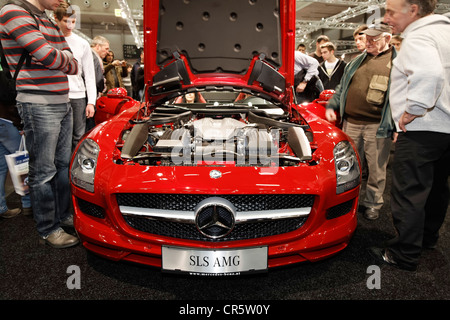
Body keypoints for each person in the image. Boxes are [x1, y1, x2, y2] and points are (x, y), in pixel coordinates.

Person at [369, 0, 450, 272]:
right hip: (446, 129)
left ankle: (404, 254)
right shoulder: (445, 32)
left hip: (423, 128)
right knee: (438, 188)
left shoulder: (419, 36)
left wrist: (411, 111)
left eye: (392, 11)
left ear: (413, 10)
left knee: (409, 192)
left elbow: (429, 74)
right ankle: (427, 238)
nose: (387, 18)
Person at [0, 0, 79, 248]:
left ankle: (62, 215)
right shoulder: (13, 11)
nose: (62, 0)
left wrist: (60, 58)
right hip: (37, 102)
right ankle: (47, 227)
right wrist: (60, 58)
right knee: (43, 171)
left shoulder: (46, 18)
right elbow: (48, 56)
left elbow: (72, 62)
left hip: (62, 100)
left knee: (63, 165)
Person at [325, 21, 396, 221]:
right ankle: (348, 202)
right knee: (348, 167)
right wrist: (332, 105)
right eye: (367, 38)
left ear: (387, 39)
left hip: (377, 126)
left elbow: (401, 97)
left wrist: (397, 124)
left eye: (374, 38)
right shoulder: (357, 61)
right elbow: (342, 88)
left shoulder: (397, 63)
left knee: (376, 169)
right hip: (351, 123)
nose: (369, 41)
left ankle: (373, 204)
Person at [54, 3, 96, 151]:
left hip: (78, 96)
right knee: (58, 138)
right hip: (56, 95)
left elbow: (90, 75)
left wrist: (91, 102)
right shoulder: (49, 40)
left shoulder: (82, 43)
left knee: (78, 136)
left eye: (73, 21)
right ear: (56, 19)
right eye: (66, 21)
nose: (70, 25)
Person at [86, 35, 109, 131]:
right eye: (106, 49)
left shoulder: (88, 54)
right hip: (89, 97)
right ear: (98, 46)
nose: (107, 52)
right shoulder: (94, 57)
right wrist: (102, 87)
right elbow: (98, 79)